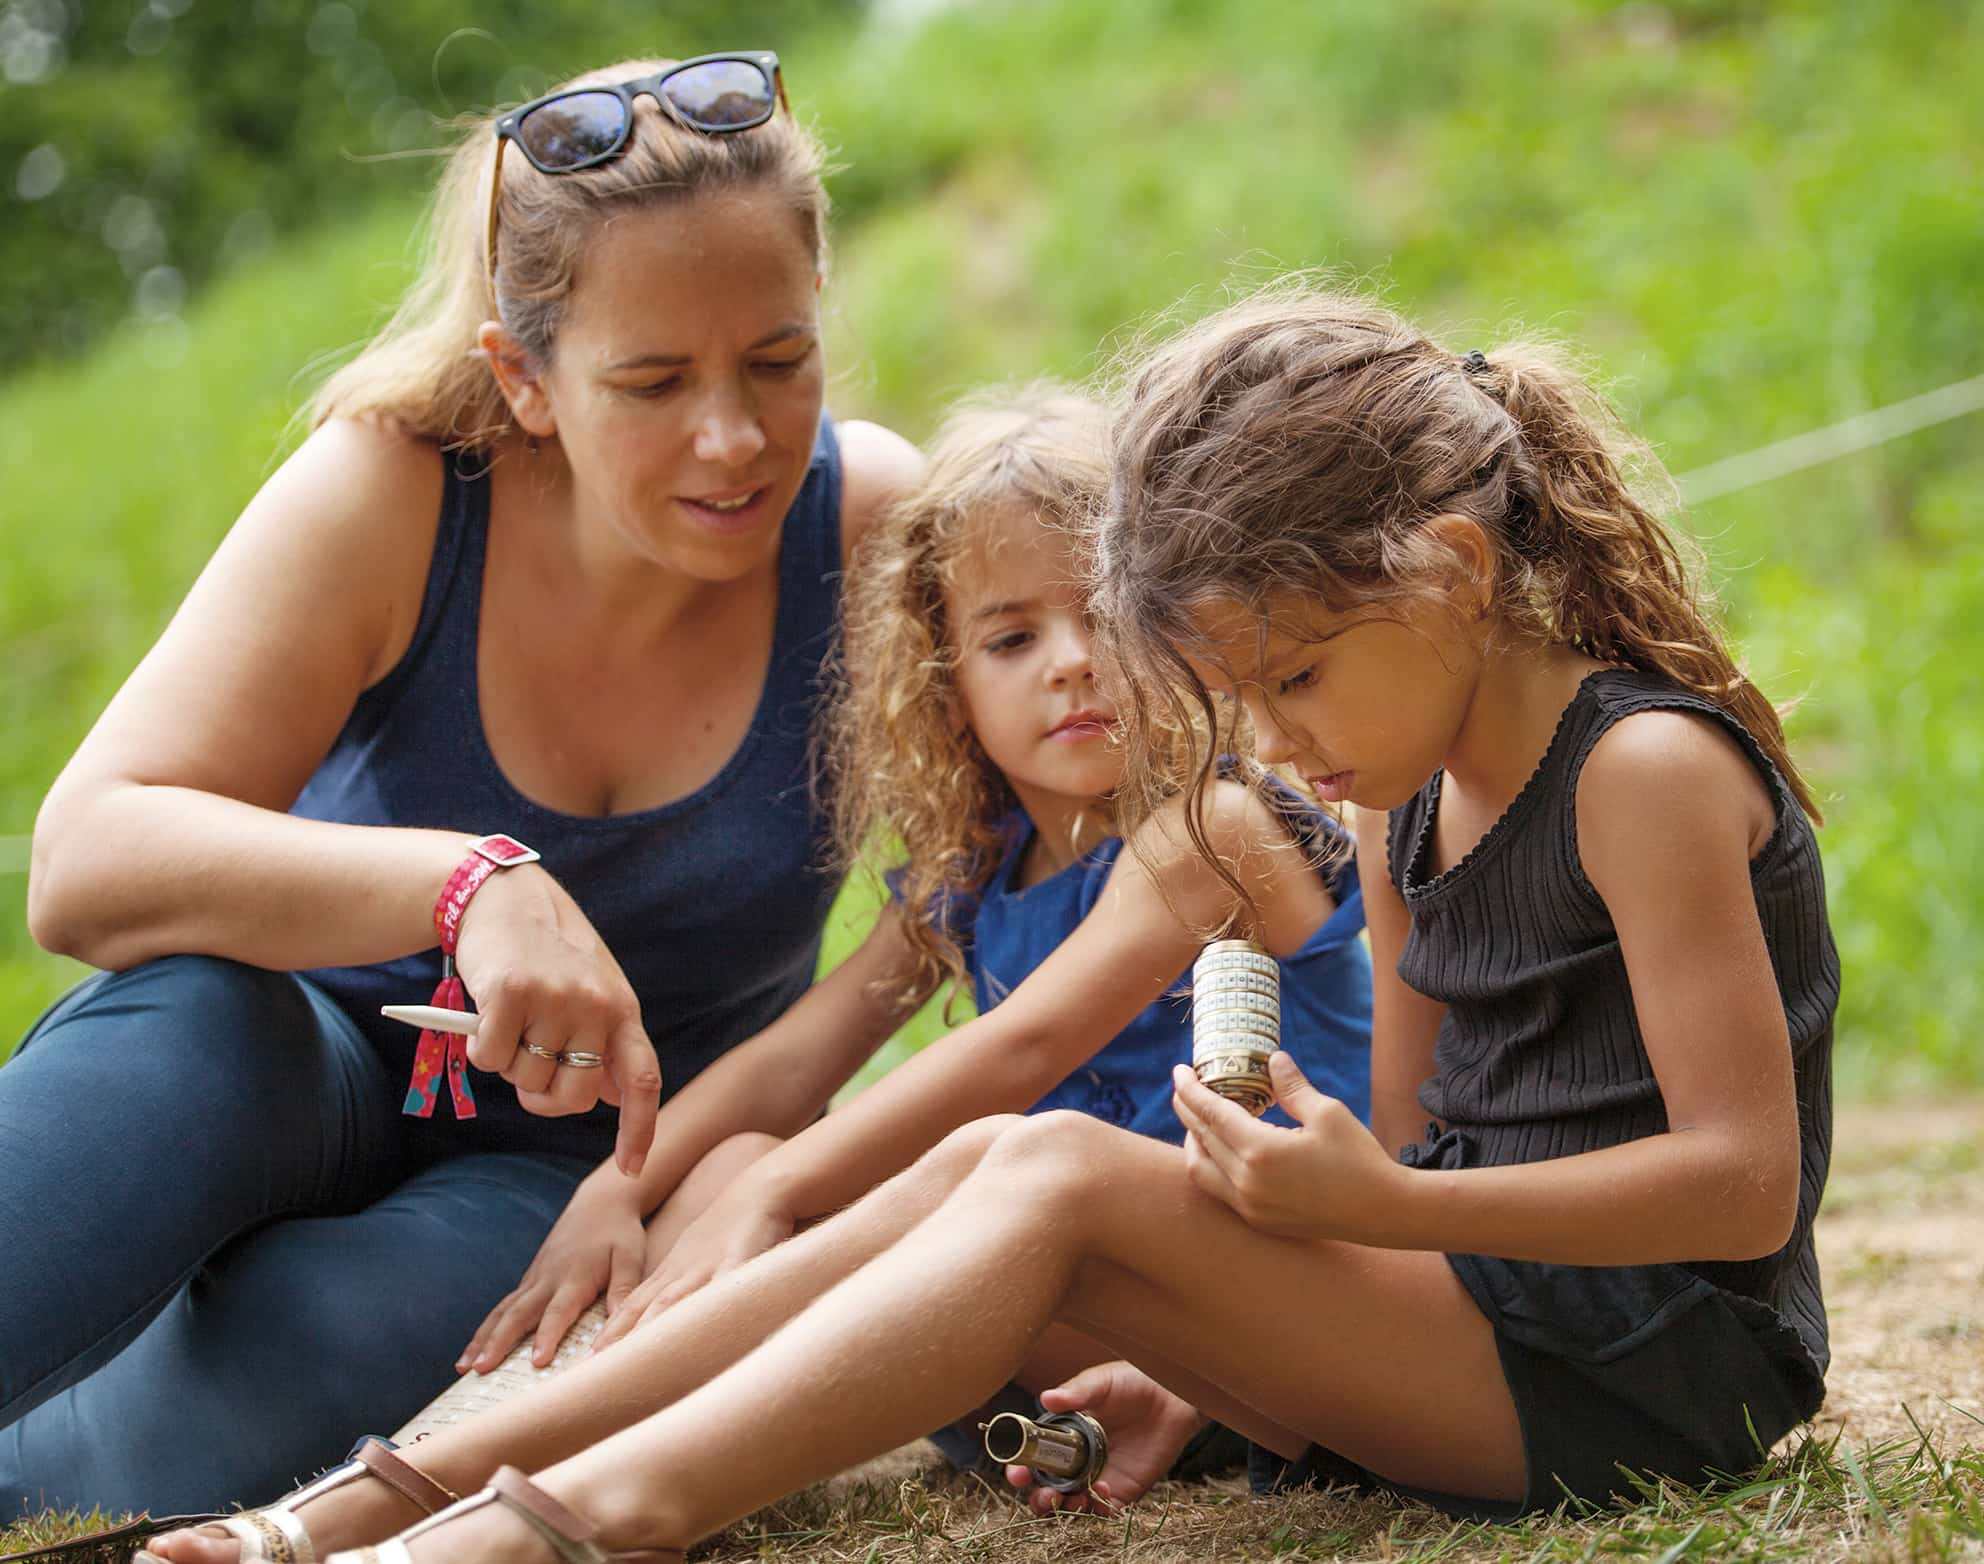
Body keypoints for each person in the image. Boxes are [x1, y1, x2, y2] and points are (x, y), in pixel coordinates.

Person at [139, 281, 1836, 1564]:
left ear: (1453, 566)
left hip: (1658, 1366)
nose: (1271, 742)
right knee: (987, 1163)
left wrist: (1370, 1205)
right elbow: (1409, 1155)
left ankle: (564, 1517)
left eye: (1293, 677)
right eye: (1236, 696)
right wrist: (1227, 1347)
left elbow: (1741, 1181)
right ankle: (389, 1490)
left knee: (1046, 1160)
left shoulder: (1640, 773)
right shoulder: (1401, 796)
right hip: (1484, 1318)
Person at [133, 385, 1371, 1562]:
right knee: (731, 1158)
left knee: (794, 1182)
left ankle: (484, 1480)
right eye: (1012, 635)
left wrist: (783, 1193)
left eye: (1105, 615)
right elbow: (794, 1058)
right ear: (946, 688)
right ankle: (596, 1456)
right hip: (1044, 1290)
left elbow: (1018, 1051)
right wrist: (625, 1185)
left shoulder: (1215, 829)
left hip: (1220, 1295)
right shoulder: (980, 866)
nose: (1071, 662)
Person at [0, 51, 921, 1513]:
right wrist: (471, 881)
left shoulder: (873, 533)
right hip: (287, 1047)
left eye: (779, 359)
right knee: (162, 1071)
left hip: (573, 1183)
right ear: (525, 379)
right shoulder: (398, 490)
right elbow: (85, 858)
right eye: (653, 381)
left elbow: (1053, 861)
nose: (734, 438)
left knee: (318, 1359)